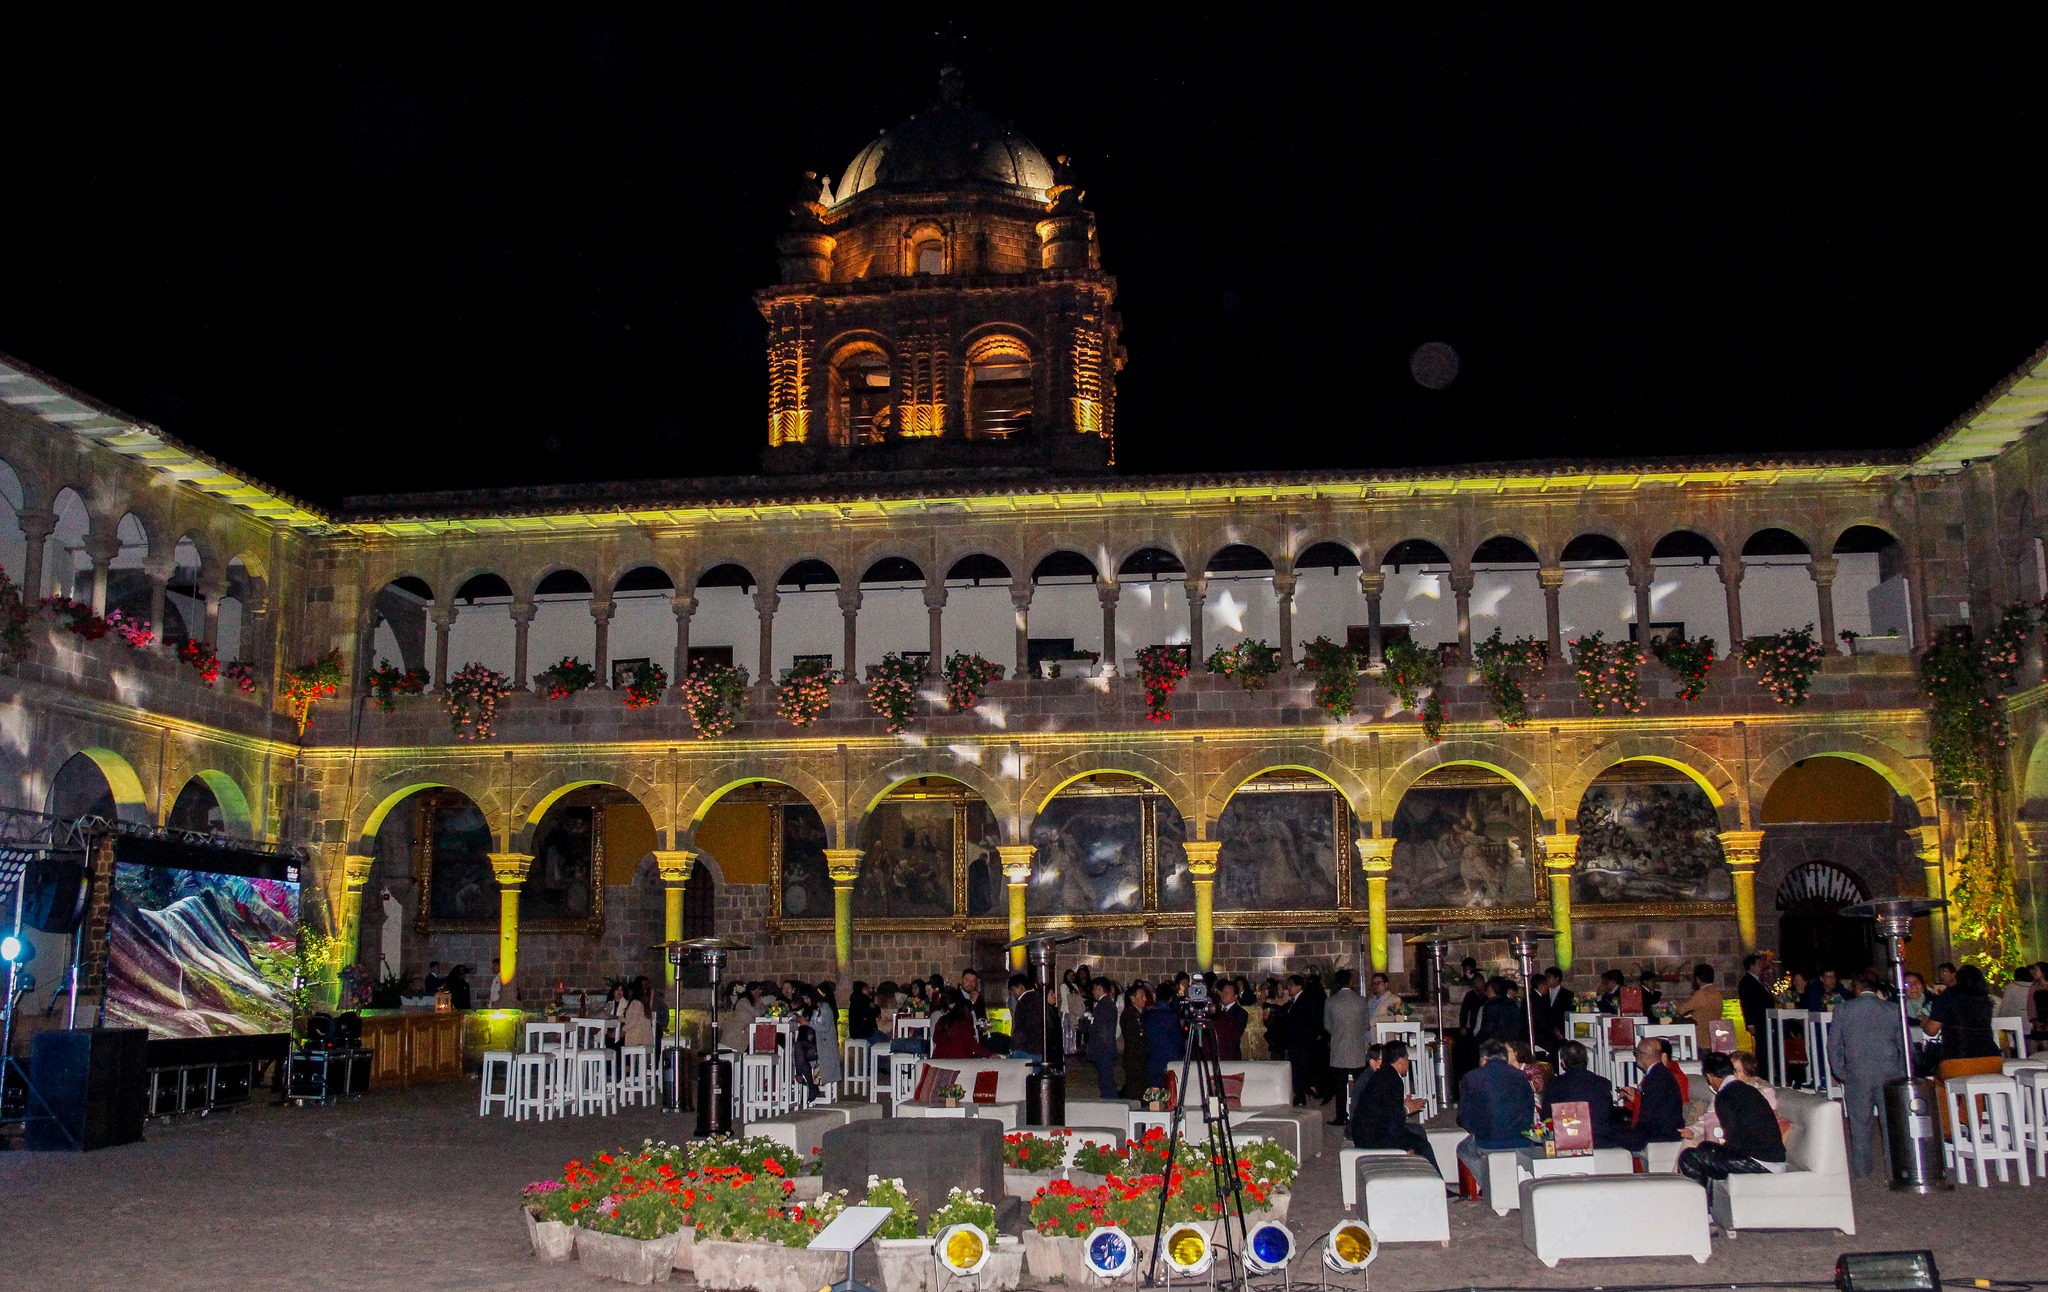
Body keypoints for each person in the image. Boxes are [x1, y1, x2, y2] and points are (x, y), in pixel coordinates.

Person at [1825, 972, 1905, 1177]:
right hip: (1889, 1072)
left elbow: (1833, 1045)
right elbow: (1903, 1044)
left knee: (1859, 1123)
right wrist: (1903, 1070)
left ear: (1856, 988)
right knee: (1891, 1123)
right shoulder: (1892, 1009)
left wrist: (1840, 1071)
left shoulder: (1843, 1010)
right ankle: (1894, 1168)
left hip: (1857, 1072)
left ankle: (1862, 1170)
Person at [1677, 1051, 1786, 1192]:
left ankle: (1698, 1207)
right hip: (1769, 1159)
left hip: (1760, 1163)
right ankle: (1709, 1201)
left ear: (1710, 1076)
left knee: (1690, 1157)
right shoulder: (1747, 1090)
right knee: (1705, 1148)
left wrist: (1716, 1157)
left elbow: (1733, 1141)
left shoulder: (1725, 1096)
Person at [1349, 1040, 1440, 1175]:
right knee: (1422, 1145)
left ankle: (1422, 1177)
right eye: (1407, 1058)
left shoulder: (1383, 1075)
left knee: (1417, 1131)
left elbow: (1385, 1110)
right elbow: (1392, 1123)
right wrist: (1406, 1110)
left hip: (1368, 1131)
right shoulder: (1392, 1080)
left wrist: (1402, 1107)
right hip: (1372, 1137)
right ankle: (1438, 1185)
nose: (1408, 1061)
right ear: (1400, 1060)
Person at [1456, 1039, 1534, 1185]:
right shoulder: (1521, 1076)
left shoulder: (1471, 1077)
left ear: (1484, 1058)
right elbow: (1529, 1110)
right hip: (1521, 1139)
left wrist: (1477, 1129)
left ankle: (1490, 1184)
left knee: (1463, 1149)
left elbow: (1464, 1117)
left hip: (1489, 1140)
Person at [1543, 1041, 1623, 1149]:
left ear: (1563, 1062)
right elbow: (1609, 1117)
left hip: (1568, 1143)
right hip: (1600, 1142)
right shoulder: (1603, 1083)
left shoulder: (1555, 1085)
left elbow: (1547, 1118)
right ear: (1587, 1060)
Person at [1616, 1036, 1685, 1152]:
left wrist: (1632, 1133)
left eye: (1636, 1053)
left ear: (1642, 1055)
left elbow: (1647, 1117)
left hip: (1660, 1135)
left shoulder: (1655, 1078)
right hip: (1661, 1130)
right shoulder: (1660, 1073)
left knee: (1610, 1135)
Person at [1325, 970, 1372, 1124]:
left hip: (1339, 1048)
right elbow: (1366, 1025)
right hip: (1357, 1049)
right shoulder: (1361, 1001)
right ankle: (1360, 1114)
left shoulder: (1331, 1001)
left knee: (1340, 1087)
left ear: (1337, 983)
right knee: (1360, 1085)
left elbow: (1327, 1025)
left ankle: (1341, 1116)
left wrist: (1338, 1033)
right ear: (1350, 982)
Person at [1925, 962, 1999, 1059]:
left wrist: (1922, 1021)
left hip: (1958, 1059)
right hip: (1991, 1058)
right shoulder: (1984, 1001)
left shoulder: (1947, 997)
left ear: (1957, 979)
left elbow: (1931, 1030)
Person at [1084, 978, 1121, 1097]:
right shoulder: (1107, 1004)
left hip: (1103, 1049)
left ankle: (1110, 1103)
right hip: (1105, 1049)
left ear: (1099, 988)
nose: (1093, 992)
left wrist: (1087, 1024)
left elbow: (1101, 1028)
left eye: (1094, 989)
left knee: (1106, 1081)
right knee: (1105, 1079)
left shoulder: (1104, 1005)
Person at [1676, 963, 1724, 1054]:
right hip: (1715, 1037)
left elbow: (1681, 1010)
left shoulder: (1700, 994)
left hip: (1701, 1038)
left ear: (1697, 979)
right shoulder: (1717, 993)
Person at [1142, 984, 1185, 1087]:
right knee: (1171, 1092)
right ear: (1170, 998)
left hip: (1152, 1060)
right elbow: (1179, 1040)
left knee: (1156, 1096)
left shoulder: (1147, 1015)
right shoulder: (1172, 1016)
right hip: (1170, 1060)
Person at [931, 989, 990, 1060]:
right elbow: (970, 1043)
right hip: (960, 1060)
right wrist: (989, 1054)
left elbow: (935, 1038)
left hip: (939, 1059)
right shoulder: (963, 1021)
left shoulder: (940, 1019)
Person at [1531, 967, 1575, 1055]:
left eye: (1549, 977)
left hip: (1558, 1027)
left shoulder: (1567, 994)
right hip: (1545, 1030)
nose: (1547, 980)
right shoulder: (1542, 993)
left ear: (1557, 978)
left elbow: (1568, 1012)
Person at [1010, 972, 1052, 1065]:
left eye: (1013, 990)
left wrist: (1014, 1045)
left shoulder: (1023, 1002)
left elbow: (1021, 1027)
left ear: (1021, 987)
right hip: (1040, 1047)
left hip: (1026, 1049)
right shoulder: (1039, 998)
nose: (1013, 994)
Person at [1120, 983, 1152, 1098]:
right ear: (1133, 999)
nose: (1144, 999)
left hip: (1142, 1057)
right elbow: (1134, 1036)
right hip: (1135, 1057)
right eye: (1141, 996)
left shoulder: (1143, 1013)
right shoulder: (1129, 1014)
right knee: (1135, 1087)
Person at [1737, 953, 1774, 1051]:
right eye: (1758, 964)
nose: (1761, 967)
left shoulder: (1760, 981)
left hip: (1765, 1019)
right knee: (1762, 1046)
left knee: (1767, 1045)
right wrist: (1750, 1023)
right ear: (1751, 966)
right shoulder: (1746, 982)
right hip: (1758, 1020)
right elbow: (1747, 1003)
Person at [1475, 976, 1525, 1046]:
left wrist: (1477, 1041)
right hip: (1511, 1043)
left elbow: (1487, 1028)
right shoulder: (1512, 1003)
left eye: (1488, 991)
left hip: (1495, 1045)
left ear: (1493, 990)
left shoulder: (1491, 1005)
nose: (1487, 994)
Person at [1213, 979, 1249, 1060]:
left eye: (1228, 992)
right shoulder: (1214, 1010)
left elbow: (1235, 1035)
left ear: (1235, 996)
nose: (1224, 994)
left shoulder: (1241, 1013)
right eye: (1223, 991)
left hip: (1231, 1055)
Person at [621, 977, 655, 1049]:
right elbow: (637, 1019)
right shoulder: (645, 1004)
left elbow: (633, 1021)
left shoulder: (636, 1002)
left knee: (615, 1046)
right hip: (647, 1039)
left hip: (637, 1039)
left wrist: (623, 1029)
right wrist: (621, 1019)